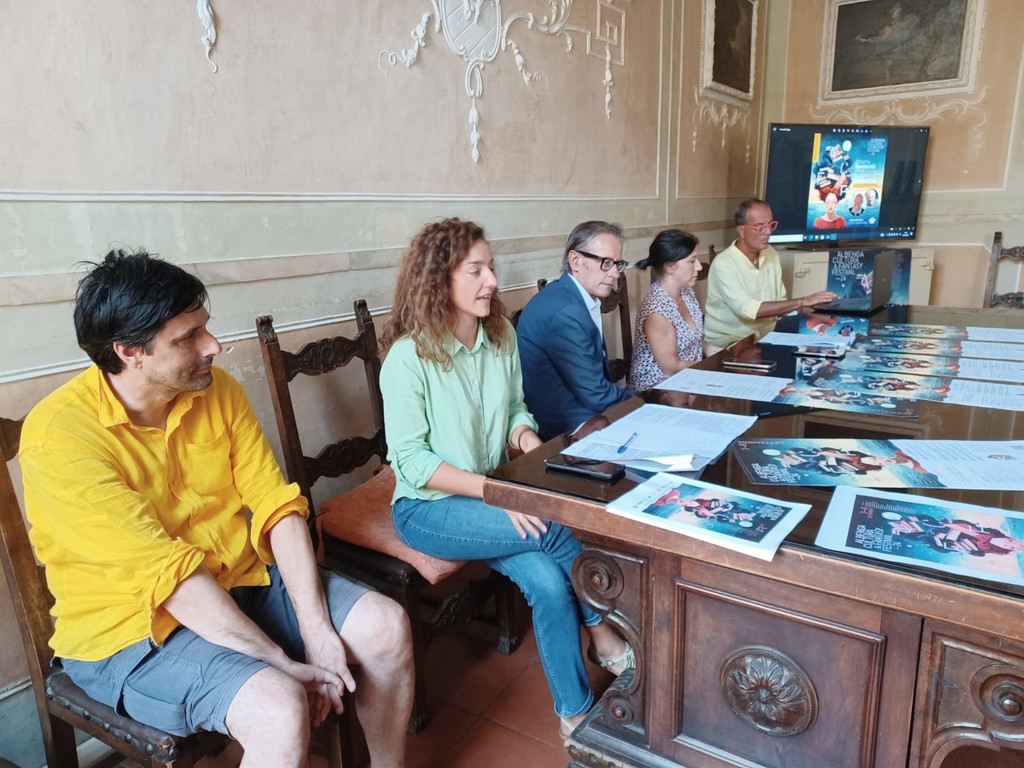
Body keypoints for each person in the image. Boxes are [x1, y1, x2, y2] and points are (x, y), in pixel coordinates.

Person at [20, 250, 413, 768]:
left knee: (386, 627)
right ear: (130, 352)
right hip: (132, 631)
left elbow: (276, 505)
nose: (214, 345)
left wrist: (316, 629)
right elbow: (172, 581)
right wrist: (281, 662)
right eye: (188, 337)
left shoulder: (217, 390)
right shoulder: (60, 437)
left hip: (237, 582)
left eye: (205, 327)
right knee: (279, 707)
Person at [378, 218, 632, 741]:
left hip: (492, 492)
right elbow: (412, 462)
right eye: (476, 270)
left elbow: (516, 409)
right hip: (428, 508)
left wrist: (533, 449)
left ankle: (573, 712)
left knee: (549, 583)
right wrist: (500, 494)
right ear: (438, 279)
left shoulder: (500, 337)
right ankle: (604, 634)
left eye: (490, 268)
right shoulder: (408, 358)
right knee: (555, 528)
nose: (492, 281)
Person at [517, 221, 634, 439]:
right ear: (575, 261)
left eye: (618, 264)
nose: (615, 274)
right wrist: (643, 402)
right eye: (606, 263)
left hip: (586, 413)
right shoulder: (566, 312)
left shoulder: (571, 295)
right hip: (566, 431)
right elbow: (597, 395)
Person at [704, 198, 839, 348]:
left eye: (770, 225)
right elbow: (749, 310)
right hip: (730, 342)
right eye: (760, 227)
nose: (768, 232)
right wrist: (801, 301)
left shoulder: (770, 253)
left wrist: (809, 310)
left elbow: (780, 303)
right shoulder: (724, 263)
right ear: (741, 231)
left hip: (766, 336)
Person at [629, 229, 706, 391]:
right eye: (692, 261)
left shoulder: (687, 293)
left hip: (689, 378)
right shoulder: (657, 311)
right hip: (659, 389)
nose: (699, 267)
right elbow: (671, 368)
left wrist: (726, 356)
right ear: (670, 267)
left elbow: (696, 342)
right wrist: (712, 368)